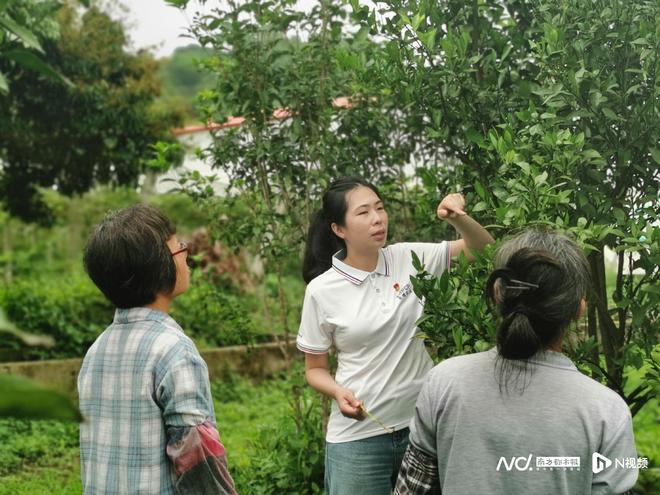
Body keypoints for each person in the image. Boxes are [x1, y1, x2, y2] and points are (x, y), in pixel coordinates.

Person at [394, 229, 638, 495]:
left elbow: (412, 490)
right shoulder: (606, 412)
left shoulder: (445, 383)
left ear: (499, 294)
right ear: (579, 309)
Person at [297, 176, 494, 494]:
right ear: (338, 229)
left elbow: (483, 251)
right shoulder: (322, 291)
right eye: (363, 212)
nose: (377, 218)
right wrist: (336, 391)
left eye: (380, 207)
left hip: (422, 429)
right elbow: (315, 369)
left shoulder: (408, 259)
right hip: (358, 439)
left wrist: (459, 218)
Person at [78, 204, 237, 495]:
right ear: (159, 265)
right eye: (179, 247)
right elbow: (198, 460)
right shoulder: (174, 351)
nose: (187, 253)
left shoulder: (96, 351)